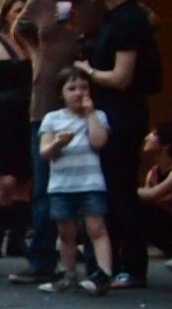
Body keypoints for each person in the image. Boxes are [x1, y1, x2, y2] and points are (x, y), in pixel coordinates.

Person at [8, 0, 103, 285]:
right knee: (45, 185)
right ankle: (42, 260)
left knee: (92, 184)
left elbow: (144, 19)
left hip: (87, 103)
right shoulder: (41, 0)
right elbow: (20, 29)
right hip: (46, 102)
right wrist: (37, 58)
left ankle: (97, 262)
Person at [75, 0, 160, 288]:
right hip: (113, 112)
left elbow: (123, 76)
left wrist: (89, 72)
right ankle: (113, 263)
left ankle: (132, 265)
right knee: (112, 187)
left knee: (121, 188)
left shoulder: (128, 20)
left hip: (123, 113)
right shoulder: (115, 18)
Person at [37, 68, 114, 296]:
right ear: (61, 93)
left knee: (96, 228)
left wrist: (90, 114)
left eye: (83, 88)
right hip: (62, 185)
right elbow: (44, 152)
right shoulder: (53, 119)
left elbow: (99, 142)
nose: (78, 93)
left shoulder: (98, 116)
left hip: (90, 182)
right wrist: (57, 144)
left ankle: (103, 273)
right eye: (72, 88)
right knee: (66, 232)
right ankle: (68, 272)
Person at [0, 0, 34, 260]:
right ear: (5, 15)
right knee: (6, 179)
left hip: (27, 112)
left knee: (26, 180)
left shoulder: (31, 44)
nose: (22, 15)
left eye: (26, 10)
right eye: (17, 10)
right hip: (2, 113)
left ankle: (17, 238)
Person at [138, 121, 172, 260]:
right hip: (165, 231)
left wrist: (123, 190)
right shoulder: (153, 172)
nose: (147, 137)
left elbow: (153, 194)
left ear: (167, 144)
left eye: (154, 134)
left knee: (142, 206)